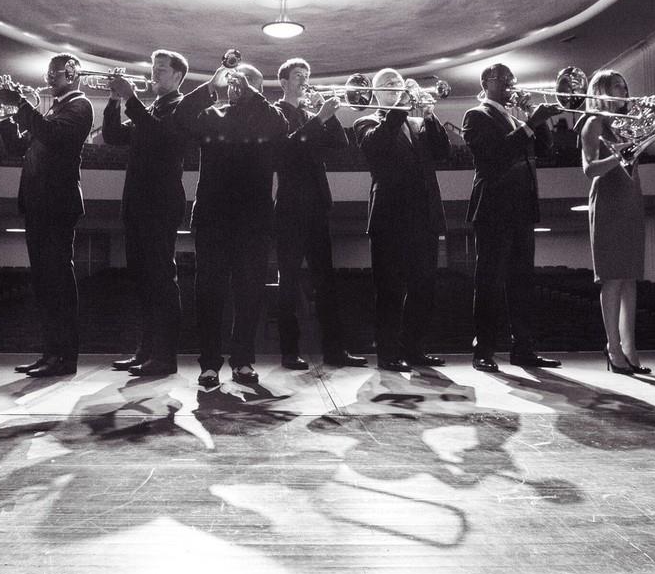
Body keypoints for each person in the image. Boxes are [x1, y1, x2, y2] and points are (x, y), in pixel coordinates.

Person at [179, 58, 288, 388]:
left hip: (253, 220)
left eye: (246, 83)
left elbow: (281, 127)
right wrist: (210, 86)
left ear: (257, 89)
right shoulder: (212, 114)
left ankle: (242, 362)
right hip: (213, 217)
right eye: (234, 82)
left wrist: (254, 95)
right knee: (209, 293)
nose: (238, 87)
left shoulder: (267, 117)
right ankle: (209, 364)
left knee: (250, 293)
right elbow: (181, 119)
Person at [0, 54, 94, 378]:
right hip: (38, 202)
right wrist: (5, 114)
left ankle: (64, 358)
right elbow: (17, 147)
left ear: (73, 74)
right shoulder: (53, 109)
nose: (50, 76)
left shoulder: (80, 106)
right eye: (50, 71)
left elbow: (53, 136)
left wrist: (22, 105)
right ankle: (50, 354)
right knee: (43, 284)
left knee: (57, 283)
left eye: (57, 71)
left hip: (56, 203)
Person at [462, 63, 562, 372]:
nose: (510, 84)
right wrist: (530, 124)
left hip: (521, 209)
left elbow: (545, 150)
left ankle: (524, 350)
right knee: (489, 282)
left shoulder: (515, 118)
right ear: (485, 83)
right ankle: (483, 352)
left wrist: (537, 121)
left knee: (522, 282)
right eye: (502, 79)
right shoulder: (476, 115)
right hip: (493, 208)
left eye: (512, 79)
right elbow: (494, 157)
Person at [101, 50, 192, 377]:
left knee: (161, 280)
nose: (154, 73)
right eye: (153, 68)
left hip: (160, 202)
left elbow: (161, 136)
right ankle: (146, 350)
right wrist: (113, 101)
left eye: (161, 70)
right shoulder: (152, 107)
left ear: (178, 76)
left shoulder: (182, 106)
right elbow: (113, 137)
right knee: (143, 280)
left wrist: (131, 98)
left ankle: (165, 357)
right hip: (139, 201)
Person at [577, 69, 655, 375]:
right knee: (613, 278)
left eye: (624, 86)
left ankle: (630, 347)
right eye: (616, 87)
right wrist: (620, 154)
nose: (623, 91)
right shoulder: (593, 123)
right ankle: (613, 347)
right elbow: (590, 169)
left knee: (630, 277)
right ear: (602, 90)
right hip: (607, 201)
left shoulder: (629, 124)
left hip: (632, 199)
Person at [353, 69, 451, 372]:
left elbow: (443, 153)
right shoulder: (365, 122)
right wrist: (400, 107)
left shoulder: (417, 122)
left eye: (399, 83)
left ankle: (414, 348)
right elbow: (377, 146)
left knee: (424, 288)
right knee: (389, 290)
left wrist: (431, 116)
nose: (397, 88)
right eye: (390, 85)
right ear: (376, 92)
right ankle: (388, 354)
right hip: (389, 218)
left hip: (424, 216)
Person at [272, 58, 365, 369]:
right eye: (298, 76)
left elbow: (340, 143)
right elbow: (286, 150)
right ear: (284, 82)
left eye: (307, 76)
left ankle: (335, 351)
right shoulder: (277, 112)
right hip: (289, 209)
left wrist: (328, 114)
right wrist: (317, 119)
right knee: (288, 282)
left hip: (317, 206)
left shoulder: (313, 114)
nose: (304, 81)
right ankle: (289, 351)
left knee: (327, 282)